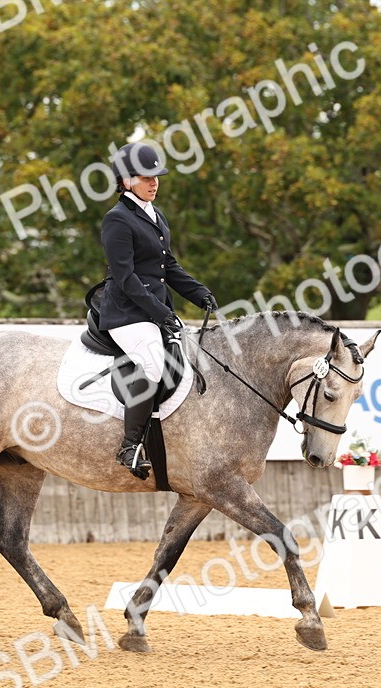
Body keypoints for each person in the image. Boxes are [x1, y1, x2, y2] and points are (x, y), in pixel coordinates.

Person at [100, 142, 217, 479]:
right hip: (125, 312)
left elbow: (167, 266)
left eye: (157, 176)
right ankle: (130, 447)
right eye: (145, 176)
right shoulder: (117, 220)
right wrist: (159, 311)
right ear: (125, 181)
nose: (154, 182)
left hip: (153, 310)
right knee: (153, 365)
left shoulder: (155, 213)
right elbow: (125, 277)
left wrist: (198, 292)